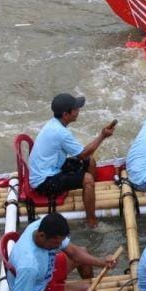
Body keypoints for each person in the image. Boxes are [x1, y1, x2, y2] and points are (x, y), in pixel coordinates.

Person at [9, 212, 119, 291]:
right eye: (56, 243)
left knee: (83, 251)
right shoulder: (29, 265)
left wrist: (102, 262)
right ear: (42, 235)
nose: (59, 246)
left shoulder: (39, 225)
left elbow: (74, 253)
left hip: (43, 274)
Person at [28, 93, 115, 229]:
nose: (78, 111)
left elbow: (85, 156)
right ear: (65, 114)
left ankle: (90, 193)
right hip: (44, 182)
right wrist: (102, 136)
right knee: (87, 178)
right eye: (75, 109)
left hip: (51, 167)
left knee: (90, 161)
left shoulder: (54, 124)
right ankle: (92, 222)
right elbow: (83, 154)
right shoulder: (60, 133)